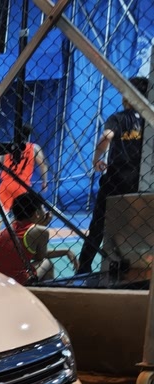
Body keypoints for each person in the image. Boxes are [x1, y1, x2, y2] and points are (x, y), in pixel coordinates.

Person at [78, 76, 148, 274]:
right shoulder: (148, 120)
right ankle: (128, 264)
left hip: (116, 177)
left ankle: (85, 265)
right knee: (132, 225)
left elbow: (106, 136)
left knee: (99, 223)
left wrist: (96, 159)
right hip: (138, 180)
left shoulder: (119, 118)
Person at [0, 193, 77, 284]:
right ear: (37, 213)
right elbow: (40, 257)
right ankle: (49, 290)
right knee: (47, 263)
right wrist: (42, 226)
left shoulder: (12, 225)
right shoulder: (39, 230)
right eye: (43, 208)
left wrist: (66, 251)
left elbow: (30, 254)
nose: (45, 211)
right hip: (14, 281)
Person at [0, 124, 49, 226]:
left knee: (0, 211)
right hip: (22, 185)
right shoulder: (34, 148)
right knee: (21, 213)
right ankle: (17, 230)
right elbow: (43, 164)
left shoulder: (8, 147)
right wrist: (44, 181)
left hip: (6, 183)